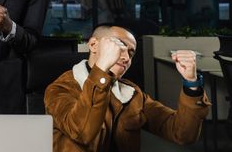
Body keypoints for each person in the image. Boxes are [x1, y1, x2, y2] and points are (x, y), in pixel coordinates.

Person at [44, 25, 210, 152]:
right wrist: (102, 68)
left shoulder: (132, 94)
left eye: (131, 53)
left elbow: (182, 133)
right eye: (119, 47)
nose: (125, 57)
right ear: (93, 45)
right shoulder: (61, 88)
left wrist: (191, 84)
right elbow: (82, 133)